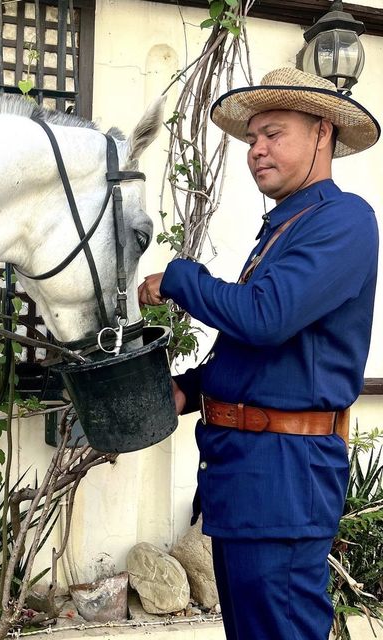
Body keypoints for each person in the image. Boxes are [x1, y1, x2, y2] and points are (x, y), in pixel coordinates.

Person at [138, 67, 380, 640]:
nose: (257, 150)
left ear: (323, 132)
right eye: (252, 139)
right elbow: (256, 348)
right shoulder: (284, 227)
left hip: (284, 480)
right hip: (246, 477)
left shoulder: (344, 221)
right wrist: (189, 390)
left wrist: (180, 277)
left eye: (273, 133)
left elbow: (264, 318)